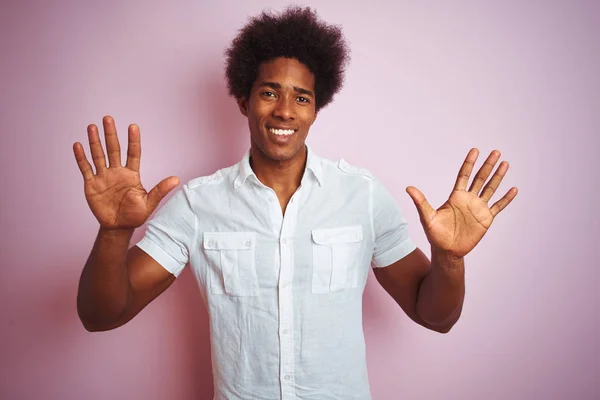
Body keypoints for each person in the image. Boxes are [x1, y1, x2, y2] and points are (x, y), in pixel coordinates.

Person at [73, 6, 518, 400]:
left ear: (315, 110)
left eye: (301, 97)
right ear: (243, 101)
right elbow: (102, 315)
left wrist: (449, 259)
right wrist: (114, 233)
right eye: (269, 92)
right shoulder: (196, 204)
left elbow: (435, 316)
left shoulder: (360, 195)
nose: (285, 110)